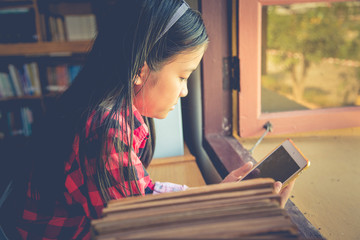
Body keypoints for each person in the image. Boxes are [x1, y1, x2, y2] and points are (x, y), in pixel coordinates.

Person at [2, 0, 294, 239]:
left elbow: (143, 193)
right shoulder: (105, 129)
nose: (185, 91)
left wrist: (215, 199)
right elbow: (138, 229)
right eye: (182, 76)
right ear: (141, 70)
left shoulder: (109, 111)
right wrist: (240, 220)